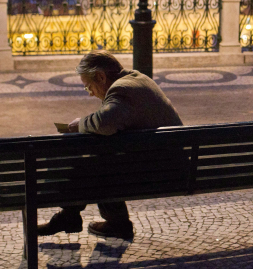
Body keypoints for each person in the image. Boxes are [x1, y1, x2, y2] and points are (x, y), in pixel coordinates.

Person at [37, 51, 183, 240]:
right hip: (171, 163)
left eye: (89, 86)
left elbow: (104, 123)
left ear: (100, 76)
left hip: (164, 172)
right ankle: (84, 218)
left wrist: (79, 124)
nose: (90, 93)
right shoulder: (138, 80)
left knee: (98, 166)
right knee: (103, 160)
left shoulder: (123, 89)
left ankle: (93, 220)